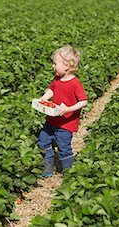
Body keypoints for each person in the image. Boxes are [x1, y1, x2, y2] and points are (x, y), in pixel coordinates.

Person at [37, 45, 88, 177]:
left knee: (64, 148)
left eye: (55, 63)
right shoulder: (57, 79)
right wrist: (44, 98)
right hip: (52, 119)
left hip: (66, 124)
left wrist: (67, 109)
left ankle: (67, 172)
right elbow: (52, 89)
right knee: (43, 141)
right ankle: (47, 168)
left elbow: (84, 101)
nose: (53, 66)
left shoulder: (75, 84)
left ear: (67, 65)